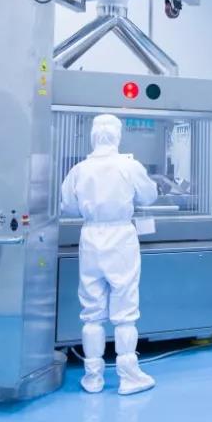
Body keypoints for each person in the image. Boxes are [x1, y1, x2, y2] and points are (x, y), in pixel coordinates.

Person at [60, 114, 158, 395]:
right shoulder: (129, 166)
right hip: (120, 238)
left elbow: (68, 206)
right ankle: (129, 376)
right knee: (125, 310)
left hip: (91, 237)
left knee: (91, 312)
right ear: (117, 135)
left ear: (93, 136)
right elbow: (149, 196)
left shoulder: (79, 169)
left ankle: (93, 377)